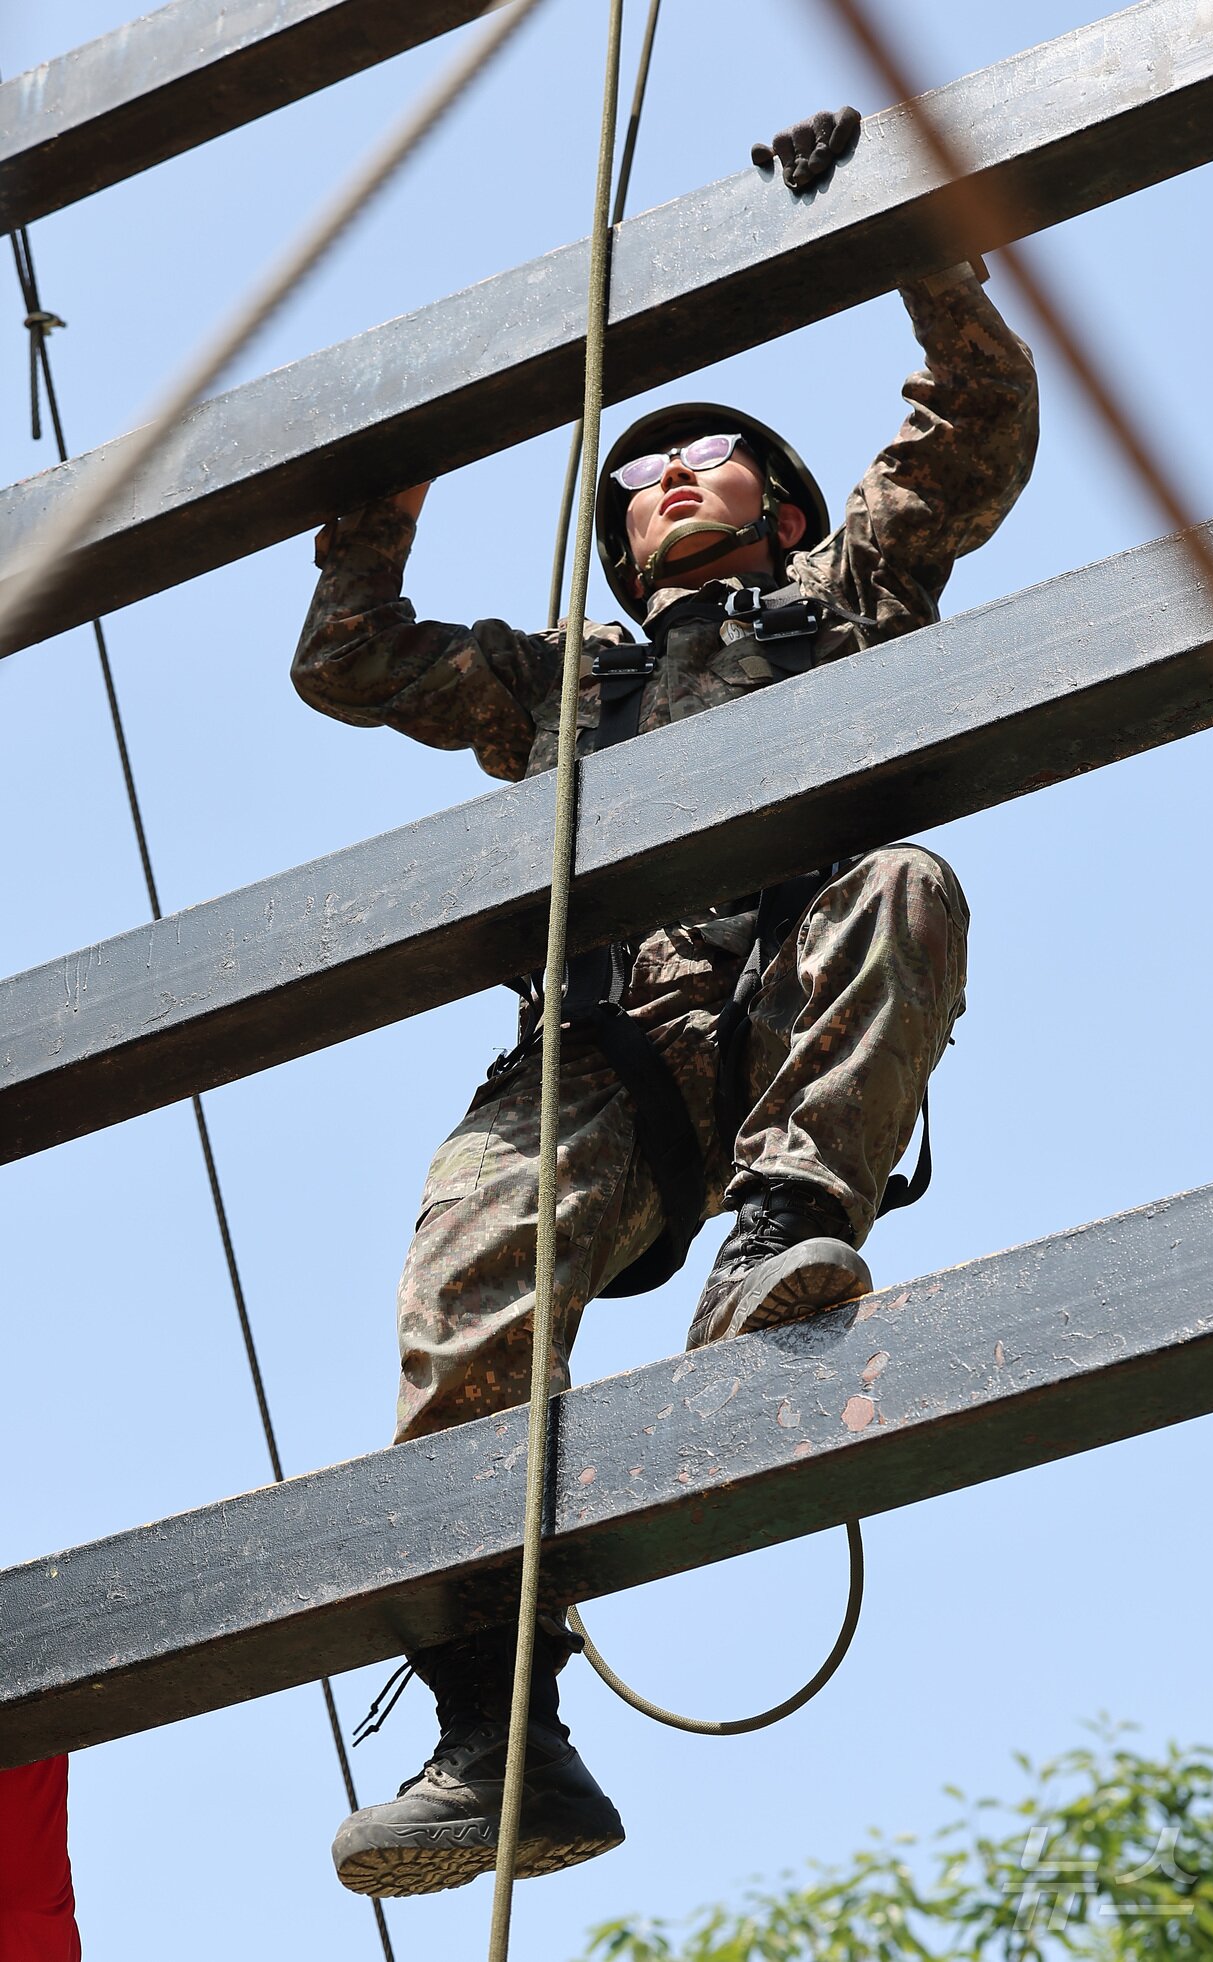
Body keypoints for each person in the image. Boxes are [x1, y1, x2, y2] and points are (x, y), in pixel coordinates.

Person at [292, 107, 1038, 1899]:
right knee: (469, 1277)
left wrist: (898, 240)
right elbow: (349, 668)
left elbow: (971, 432)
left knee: (904, 885)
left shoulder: (845, 595)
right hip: (612, 1042)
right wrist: (375, 517)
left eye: (707, 452)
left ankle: (782, 1237)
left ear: (778, 502)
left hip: (792, 1001)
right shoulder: (563, 682)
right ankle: (495, 1726)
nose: (664, 471)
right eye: (637, 470)